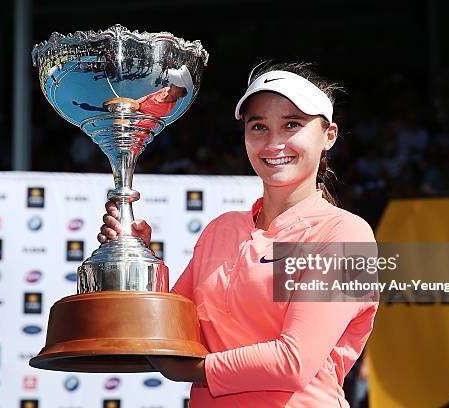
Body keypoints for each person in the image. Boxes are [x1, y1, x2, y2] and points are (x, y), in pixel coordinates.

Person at [97, 61, 379, 407]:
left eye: (292, 124)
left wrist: (191, 369)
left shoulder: (346, 234)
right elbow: (170, 335)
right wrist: (136, 264)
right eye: (258, 126)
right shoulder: (221, 229)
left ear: (329, 136)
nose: (274, 142)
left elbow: (293, 363)